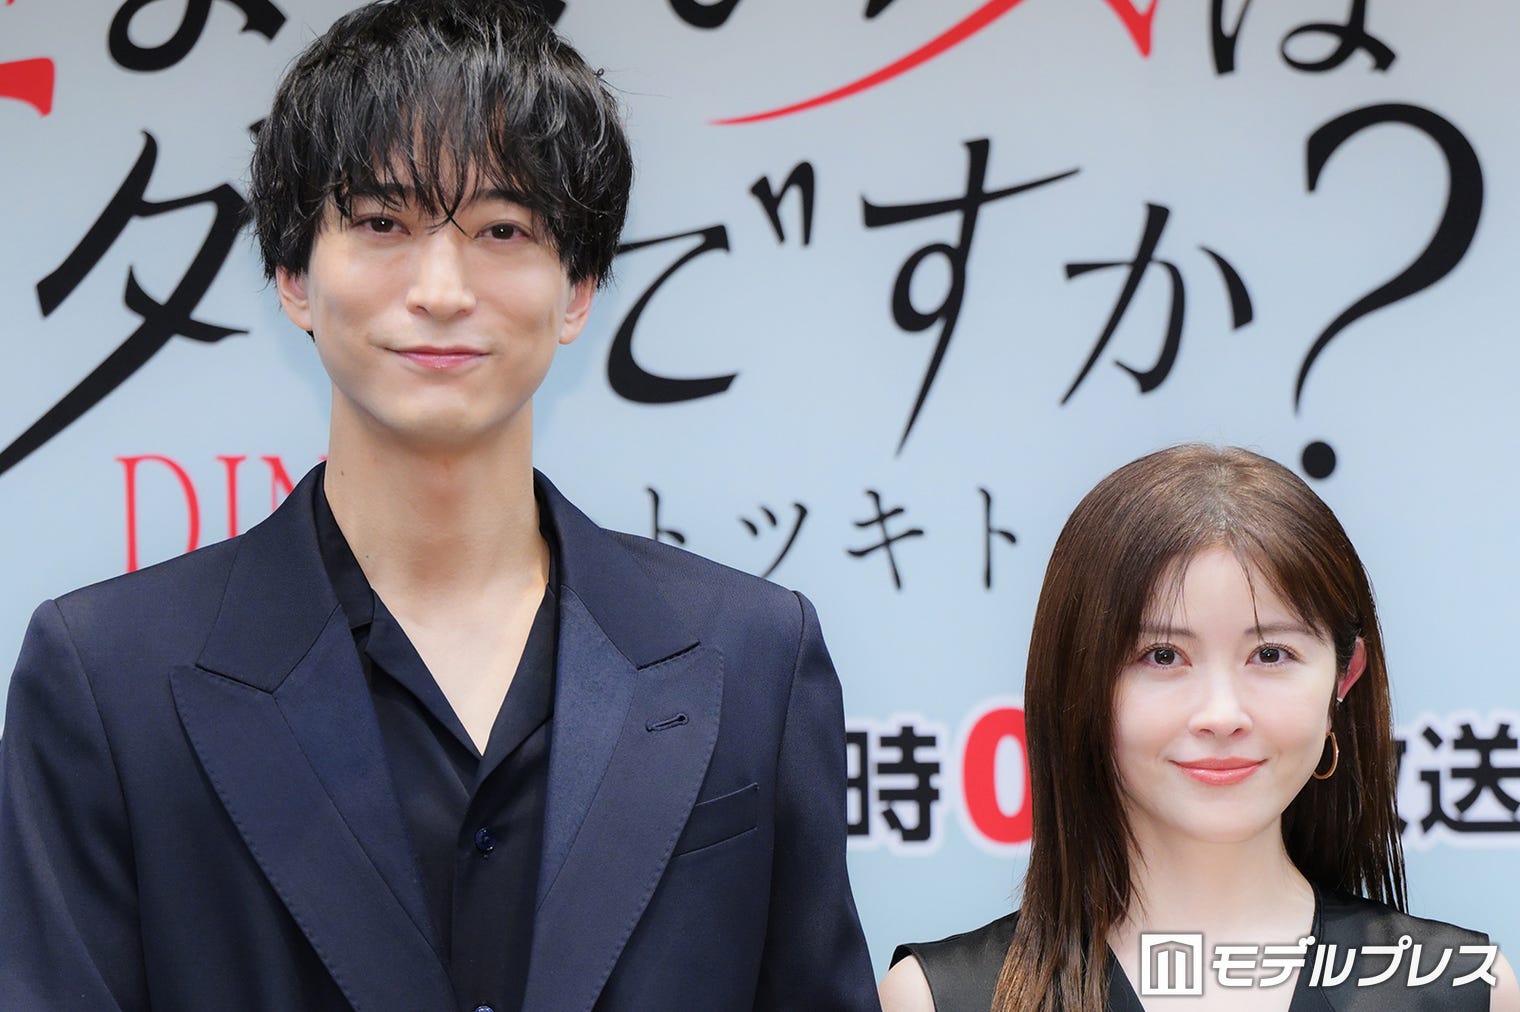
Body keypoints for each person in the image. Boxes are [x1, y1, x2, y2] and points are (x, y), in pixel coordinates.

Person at [0, 2, 878, 1009]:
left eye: (501, 228)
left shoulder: (751, 657)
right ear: (291, 273)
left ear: (577, 287)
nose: (441, 288)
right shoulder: (109, 679)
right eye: (382, 222)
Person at [879, 444, 1518, 1011]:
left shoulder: (1464, 990)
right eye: (1162, 656)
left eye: (1271, 654)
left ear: (1343, 678)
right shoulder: (939, 998)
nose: (1221, 715)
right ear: (1079, 682)